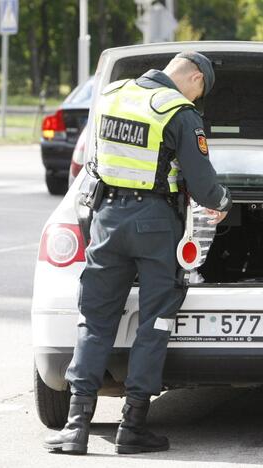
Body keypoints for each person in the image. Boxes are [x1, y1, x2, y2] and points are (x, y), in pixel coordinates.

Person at [44, 51, 231, 456]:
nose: (197, 99)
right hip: (154, 224)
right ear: (195, 78)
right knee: (155, 321)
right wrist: (222, 200)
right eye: (201, 91)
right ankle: (132, 428)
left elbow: (95, 162)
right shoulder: (177, 111)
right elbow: (202, 183)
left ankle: (76, 428)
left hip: (107, 220)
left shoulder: (111, 95)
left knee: (95, 320)